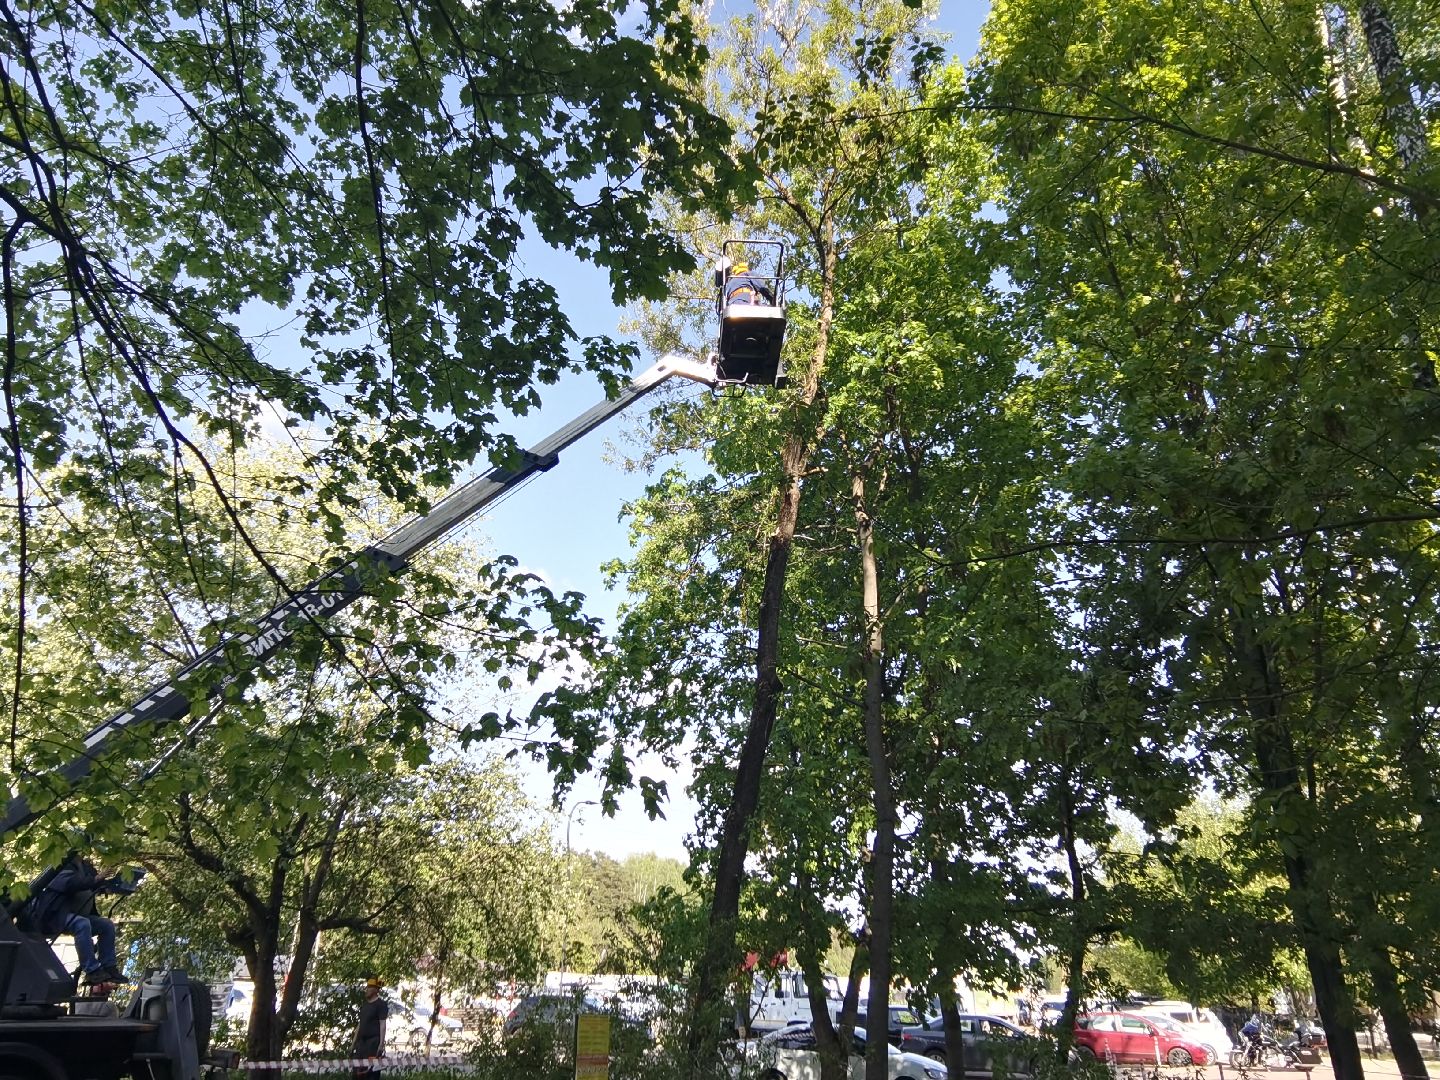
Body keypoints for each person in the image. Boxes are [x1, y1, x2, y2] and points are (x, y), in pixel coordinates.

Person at [28, 853, 130, 986]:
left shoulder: (86, 866)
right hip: (56, 917)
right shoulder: (61, 864)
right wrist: (96, 879)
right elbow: (72, 884)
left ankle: (109, 967)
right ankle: (92, 970)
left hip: (79, 915)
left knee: (106, 925)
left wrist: (114, 886)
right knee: (82, 924)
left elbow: (95, 884)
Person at [352, 977, 388, 1077]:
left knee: (371, 1073)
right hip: (361, 1044)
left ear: (376, 990)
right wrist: (354, 1042)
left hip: (373, 1043)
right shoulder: (365, 1005)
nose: (366, 989)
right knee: (357, 1072)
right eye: (367, 987)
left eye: (369, 987)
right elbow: (360, 1024)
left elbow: (382, 1024)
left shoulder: (381, 1005)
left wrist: (381, 1044)